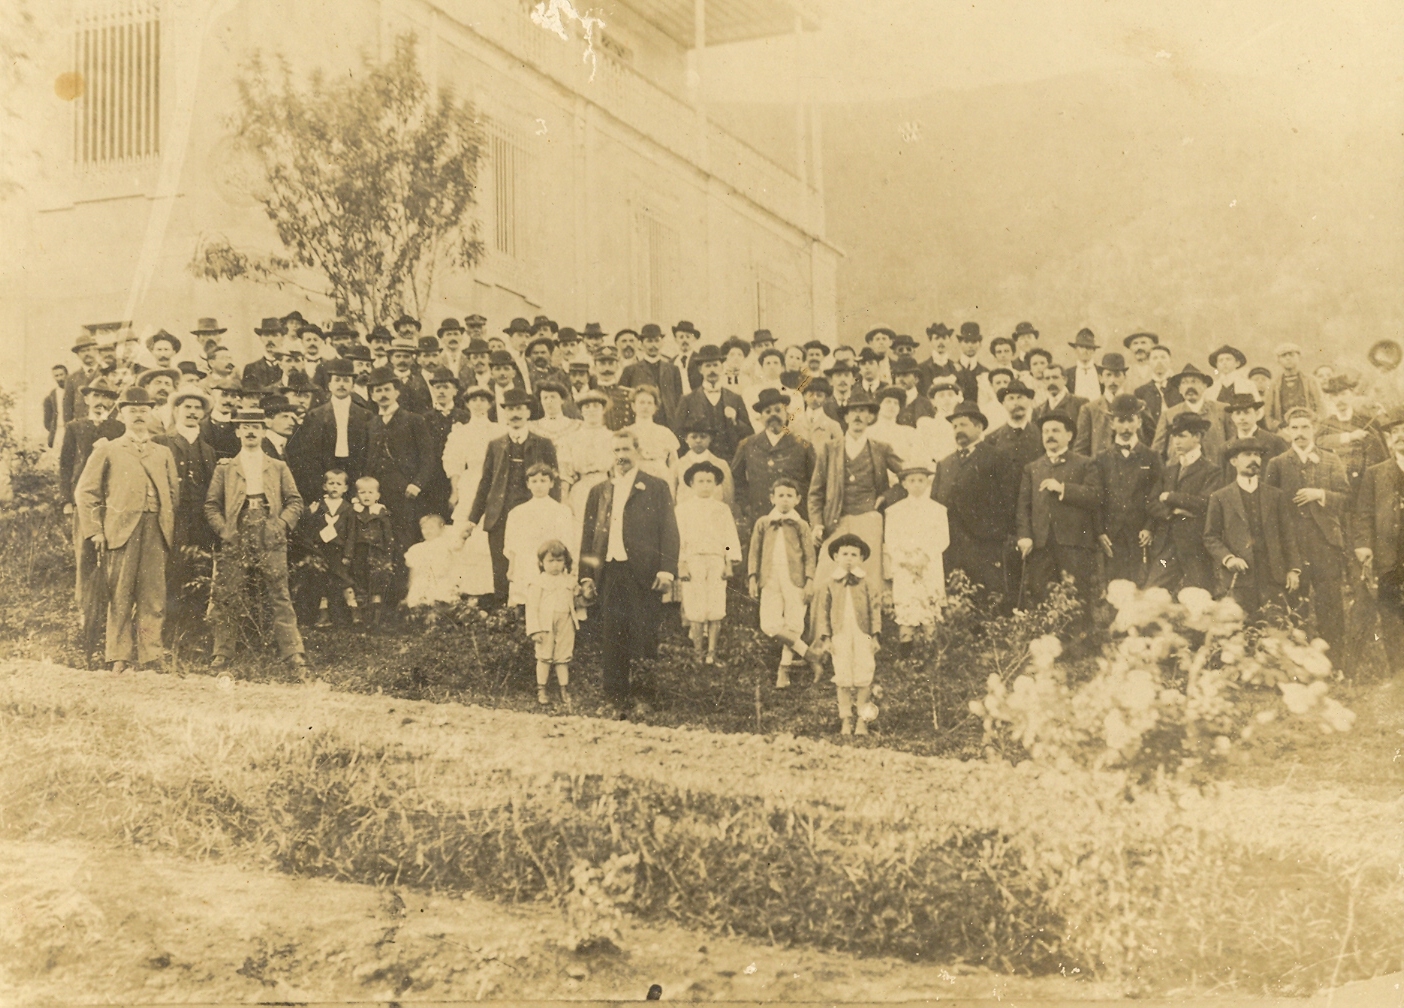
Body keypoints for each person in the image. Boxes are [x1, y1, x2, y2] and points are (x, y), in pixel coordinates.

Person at [74, 386, 179, 672]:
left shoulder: (163, 452)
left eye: (144, 411)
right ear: (121, 415)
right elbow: (86, 492)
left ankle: (150, 654)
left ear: (152, 413)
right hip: (121, 531)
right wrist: (96, 530)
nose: (138, 416)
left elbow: (173, 493)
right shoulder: (108, 448)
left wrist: (166, 522)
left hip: (155, 529)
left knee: (153, 596)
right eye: (132, 411)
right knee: (119, 594)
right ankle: (118, 655)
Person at [578, 430, 679, 717]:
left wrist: (666, 570)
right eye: (616, 451)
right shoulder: (599, 491)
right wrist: (586, 575)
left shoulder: (656, 487)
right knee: (612, 634)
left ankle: (644, 697)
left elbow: (669, 530)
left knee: (644, 633)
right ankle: (614, 697)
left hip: (644, 572)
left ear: (637, 452)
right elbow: (588, 536)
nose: (621, 456)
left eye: (626, 449)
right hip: (609, 571)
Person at [204, 408, 308, 669]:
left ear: (263, 431)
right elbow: (211, 505)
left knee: (279, 592)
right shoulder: (226, 468)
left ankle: (293, 652)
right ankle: (223, 652)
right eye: (244, 426)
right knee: (229, 592)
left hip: (269, 531)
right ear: (237, 431)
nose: (250, 431)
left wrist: (281, 524)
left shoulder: (278, 466)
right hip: (237, 531)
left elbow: (295, 501)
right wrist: (225, 529)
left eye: (256, 426)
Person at [1264, 408, 1351, 655]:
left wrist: (1319, 494)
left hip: (1325, 544)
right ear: (1287, 431)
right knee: (1294, 602)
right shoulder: (1277, 464)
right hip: (1294, 546)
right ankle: (1297, 661)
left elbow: (1345, 498)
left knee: (1330, 602)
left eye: (1304, 427)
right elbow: (1270, 508)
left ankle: (1335, 660)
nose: (1300, 433)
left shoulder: (1330, 459)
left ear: (1314, 429)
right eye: (1294, 428)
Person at [461, 388, 559, 602]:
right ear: (504, 413)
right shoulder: (495, 445)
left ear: (528, 411)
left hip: (533, 515)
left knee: (533, 562)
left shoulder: (544, 444)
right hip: (499, 515)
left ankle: (531, 611)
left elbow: (555, 483)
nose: (515, 414)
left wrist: (555, 514)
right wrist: (472, 520)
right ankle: (504, 616)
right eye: (510, 409)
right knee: (501, 565)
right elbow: (485, 484)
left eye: (519, 409)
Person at [807, 393, 902, 588]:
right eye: (853, 412)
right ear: (846, 417)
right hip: (836, 518)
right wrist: (817, 524)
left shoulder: (881, 448)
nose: (858, 416)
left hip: (869, 518)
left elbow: (907, 477)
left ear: (870, 417)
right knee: (827, 577)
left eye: (863, 411)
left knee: (869, 577)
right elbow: (816, 492)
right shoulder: (830, 448)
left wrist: (886, 496)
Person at [1205, 438, 1301, 619]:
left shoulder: (1275, 495)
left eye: (1257, 455)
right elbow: (1211, 537)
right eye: (1247, 455)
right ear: (1233, 461)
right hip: (1240, 576)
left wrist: (1293, 569)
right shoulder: (1220, 497)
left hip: (1273, 575)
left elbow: (1287, 535)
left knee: (1276, 627)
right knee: (1241, 627)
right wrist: (1228, 558)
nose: (1254, 459)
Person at [1016, 412, 1102, 609]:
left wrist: (1063, 488)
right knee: (1042, 597)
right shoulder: (1033, 468)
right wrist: (1024, 535)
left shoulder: (1084, 463)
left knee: (1077, 598)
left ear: (1069, 436)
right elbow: (1023, 506)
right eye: (1045, 431)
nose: (1049, 436)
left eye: (1055, 430)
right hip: (1041, 544)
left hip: (1074, 544)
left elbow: (1095, 496)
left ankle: (1080, 639)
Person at [154, 384, 219, 642]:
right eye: (187, 407)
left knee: (199, 572)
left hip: (201, 523)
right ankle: (169, 633)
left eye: (197, 408)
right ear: (177, 410)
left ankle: (193, 633)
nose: (192, 412)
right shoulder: (161, 442)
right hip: (172, 520)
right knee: (171, 573)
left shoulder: (209, 450)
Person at [364, 366, 437, 566]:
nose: (383, 394)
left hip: (406, 492)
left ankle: (404, 591)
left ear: (397, 392)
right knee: (380, 539)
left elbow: (428, 457)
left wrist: (417, 484)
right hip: (379, 492)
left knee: (405, 539)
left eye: (387, 389)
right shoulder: (371, 424)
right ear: (371, 395)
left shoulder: (414, 420)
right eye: (377, 390)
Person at [811, 533, 881, 737]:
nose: (849, 558)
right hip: (839, 635)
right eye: (845, 554)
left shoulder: (867, 583)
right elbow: (823, 613)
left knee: (864, 676)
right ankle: (846, 720)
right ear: (836, 557)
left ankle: (862, 721)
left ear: (861, 558)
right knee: (842, 676)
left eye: (854, 554)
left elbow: (875, 610)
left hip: (862, 634)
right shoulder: (829, 584)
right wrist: (826, 638)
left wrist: (875, 636)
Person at [747, 478, 816, 687]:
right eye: (780, 495)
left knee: (794, 622)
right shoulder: (763, 523)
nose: (784, 500)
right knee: (769, 624)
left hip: (795, 579)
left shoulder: (801, 525)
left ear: (797, 499)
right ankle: (808, 653)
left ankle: (783, 670)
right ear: (772, 498)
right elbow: (754, 552)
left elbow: (810, 555)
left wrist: (810, 581)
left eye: (789, 495)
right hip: (770, 577)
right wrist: (752, 577)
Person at [674, 461, 742, 665]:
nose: (705, 485)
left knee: (716, 605)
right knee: (695, 606)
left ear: (716, 484)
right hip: (693, 559)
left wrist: (728, 562)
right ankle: (698, 654)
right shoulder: (683, 509)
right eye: (700, 481)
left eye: (709, 481)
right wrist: (681, 563)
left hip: (716, 559)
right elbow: (678, 538)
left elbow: (729, 538)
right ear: (692, 484)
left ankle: (711, 653)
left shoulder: (721, 509)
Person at [1353, 407, 1404, 676]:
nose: (1401, 436)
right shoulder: (1376, 473)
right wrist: (1363, 544)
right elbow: (1363, 513)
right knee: (1391, 616)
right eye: (1395, 432)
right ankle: (1398, 675)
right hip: (1388, 558)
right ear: (1389, 439)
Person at [934, 400, 1004, 595]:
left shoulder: (996, 457)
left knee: (984, 595)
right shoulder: (944, 463)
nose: (958, 430)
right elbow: (935, 505)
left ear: (979, 427)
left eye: (963, 424)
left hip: (985, 544)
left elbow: (1007, 500)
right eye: (954, 426)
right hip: (952, 545)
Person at [1149, 412, 1223, 593]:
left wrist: (1170, 497)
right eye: (1174, 436)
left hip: (1195, 548)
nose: (1176, 441)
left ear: (1197, 437)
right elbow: (1151, 503)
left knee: (1198, 597)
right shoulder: (1169, 470)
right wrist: (1171, 512)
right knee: (1152, 592)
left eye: (1181, 436)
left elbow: (1206, 503)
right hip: (1167, 548)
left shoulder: (1211, 471)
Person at [1094, 394, 1163, 587]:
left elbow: (1157, 494)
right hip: (1112, 534)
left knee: (1143, 584)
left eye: (1130, 420)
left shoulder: (1151, 457)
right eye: (1121, 421)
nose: (1126, 427)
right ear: (1112, 424)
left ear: (1139, 422)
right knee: (1115, 586)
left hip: (1140, 534)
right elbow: (1097, 497)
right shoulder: (1101, 458)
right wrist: (1100, 531)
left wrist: (1149, 527)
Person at [883, 462, 948, 649]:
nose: (917, 484)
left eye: (921, 480)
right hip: (905, 567)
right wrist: (906, 560)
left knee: (929, 605)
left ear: (928, 483)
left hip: (929, 565)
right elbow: (891, 540)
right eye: (912, 480)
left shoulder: (937, 510)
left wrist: (925, 557)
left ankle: (930, 652)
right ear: (904, 484)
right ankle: (906, 653)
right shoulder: (895, 511)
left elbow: (943, 538)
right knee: (907, 607)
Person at [732, 387, 816, 530]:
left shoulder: (802, 446)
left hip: (795, 517)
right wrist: (746, 506)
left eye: (778, 410)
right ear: (760, 417)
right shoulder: (748, 445)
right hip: (760, 517)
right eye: (767, 411)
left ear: (787, 414)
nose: (773, 415)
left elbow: (815, 482)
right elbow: (736, 479)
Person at [292, 358, 372, 502]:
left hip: (354, 469)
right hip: (326, 470)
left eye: (346, 380)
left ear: (353, 385)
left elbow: (367, 450)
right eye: (337, 380)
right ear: (329, 385)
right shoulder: (315, 414)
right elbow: (311, 453)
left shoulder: (365, 415)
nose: (341, 384)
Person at [523, 539, 587, 708]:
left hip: (565, 621)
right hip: (545, 623)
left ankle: (563, 689)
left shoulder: (569, 580)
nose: (555, 565)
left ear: (565, 562)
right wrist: (535, 630)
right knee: (544, 656)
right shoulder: (538, 582)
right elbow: (532, 607)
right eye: (550, 561)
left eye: (559, 561)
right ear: (542, 563)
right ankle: (541, 689)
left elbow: (578, 602)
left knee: (563, 657)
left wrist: (582, 596)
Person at [502, 462, 575, 607]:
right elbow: (512, 545)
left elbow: (567, 542)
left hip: (551, 563)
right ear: (528, 484)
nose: (539, 485)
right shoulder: (517, 512)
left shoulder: (562, 511)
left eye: (543, 481)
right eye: (534, 481)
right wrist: (512, 568)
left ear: (552, 483)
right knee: (526, 600)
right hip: (526, 563)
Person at [294, 468, 356, 627]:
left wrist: (348, 554)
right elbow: (307, 526)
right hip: (320, 549)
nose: (335, 487)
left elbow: (351, 534)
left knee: (341, 580)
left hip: (338, 550)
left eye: (339, 484)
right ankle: (323, 615)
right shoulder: (318, 506)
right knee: (321, 581)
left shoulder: (348, 509)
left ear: (345, 488)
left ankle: (351, 613)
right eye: (331, 483)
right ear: (324, 486)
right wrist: (310, 513)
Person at [671, 344, 753, 461]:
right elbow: (678, 434)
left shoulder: (735, 398)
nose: (712, 370)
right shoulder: (688, 400)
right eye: (708, 366)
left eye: (715, 365)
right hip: (698, 461)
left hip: (729, 459)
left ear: (722, 368)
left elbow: (748, 433)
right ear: (700, 369)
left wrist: (735, 421)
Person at [1152, 363, 1231, 467]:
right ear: (1180, 389)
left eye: (1194, 382)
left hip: (1215, 474)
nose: (1190, 386)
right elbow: (1157, 451)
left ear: (1204, 386)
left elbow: (1233, 445)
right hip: (1181, 474)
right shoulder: (1169, 414)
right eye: (1184, 383)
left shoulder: (1222, 410)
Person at [344, 475, 397, 627]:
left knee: (377, 581)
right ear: (356, 495)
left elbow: (388, 536)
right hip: (360, 551)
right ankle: (361, 615)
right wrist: (349, 554)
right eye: (362, 492)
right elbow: (351, 534)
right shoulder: (354, 512)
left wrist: (388, 555)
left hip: (377, 551)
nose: (366, 496)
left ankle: (376, 617)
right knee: (360, 579)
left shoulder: (381, 513)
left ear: (377, 496)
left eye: (370, 493)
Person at [1317, 374, 1386, 492]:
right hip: (1338, 484)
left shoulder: (1367, 421)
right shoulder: (1326, 424)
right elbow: (1318, 442)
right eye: (1335, 395)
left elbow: (1382, 455)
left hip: (1367, 483)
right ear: (1330, 398)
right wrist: (1349, 437)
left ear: (1352, 394)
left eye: (1344, 394)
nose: (1340, 400)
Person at [621, 324, 684, 423]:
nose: (653, 345)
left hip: (668, 422)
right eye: (649, 341)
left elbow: (679, 399)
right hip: (642, 420)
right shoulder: (630, 370)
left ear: (662, 343)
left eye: (657, 340)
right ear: (641, 344)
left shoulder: (673, 369)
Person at [1073, 353, 1133, 458]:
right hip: (1100, 470)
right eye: (1108, 375)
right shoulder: (1089, 409)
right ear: (1101, 378)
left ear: (1125, 377)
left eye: (1117, 375)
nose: (1112, 380)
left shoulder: (1137, 405)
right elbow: (1080, 449)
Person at [403, 513, 463, 608]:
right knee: (418, 606)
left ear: (442, 528)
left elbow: (453, 567)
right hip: (421, 583)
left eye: (431, 528)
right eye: (424, 528)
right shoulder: (417, 549)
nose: (427, 531)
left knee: (441, 604)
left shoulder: (447, 546)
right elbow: (413, 572)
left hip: (442, 581)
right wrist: (410, 588)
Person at [673, 416, 735, 507]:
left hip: (713, 513)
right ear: (686, 439)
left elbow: (728, 495)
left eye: (703, 437)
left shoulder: (721, 464)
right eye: (694, 437)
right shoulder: (678, 465)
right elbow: (672, 494)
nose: (698, 440)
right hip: (687, 514)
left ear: (710, 439)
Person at [625, 385, 678, 488]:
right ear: (633, 406)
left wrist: (671, 482)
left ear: (655, 407)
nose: (645, 406)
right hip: (635, 476)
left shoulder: (664, 432)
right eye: (641, 402)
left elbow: (674, 462)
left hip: (661, 476)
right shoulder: (627, 432)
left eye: (650, 403)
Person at [1263, 342, 1324, 431]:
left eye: (1291, 355)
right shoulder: (1273, 384)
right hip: (1284, 430)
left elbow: (1321, 407)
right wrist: (1278, 429)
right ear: (1278, 360)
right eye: (1284, 355)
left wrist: (1314, 426)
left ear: (1299, 357)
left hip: (1309, 428)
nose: (1288, 358)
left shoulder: (1311, 381)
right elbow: (1268, 413)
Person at [1134, 343, 1180, 443]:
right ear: (1149, 363)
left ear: (1171, 361)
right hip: (1151, 442)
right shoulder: (1140, 392)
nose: (1159, 361)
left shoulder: (1179, 388)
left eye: (1163, 357)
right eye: (1155, 358)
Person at [1224, 393, 1287, 466]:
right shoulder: (1226, 448)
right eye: (1238, 413)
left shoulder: (1275, 442)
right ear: (1233, 417)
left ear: (1257, 414)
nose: (1242, 418)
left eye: (1246, 412)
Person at [242, 318, 288, 390]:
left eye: (275, 335)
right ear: (261, 338)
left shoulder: (290, 366)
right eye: (266, 335)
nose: (270, 339)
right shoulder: (251, 368)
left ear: (283, 338)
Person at [952, 322, 988, 402]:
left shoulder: (985, 371)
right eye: (966, 341)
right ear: (960, 343)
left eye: (974, 342)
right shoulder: (951, 369)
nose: (970, 345)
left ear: (980, 344)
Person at [1065, 329, 1102, 401]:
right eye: (1081, 347)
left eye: (1088, 347)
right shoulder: (1068, 373)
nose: (1085, 351)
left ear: (1094, 350)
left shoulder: (1101, 372)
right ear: (1075, 350)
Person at [43, 364, 67, 449]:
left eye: (61, 374)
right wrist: (54, 429)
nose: (60, 378)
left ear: (66, 375)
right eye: (56, 376)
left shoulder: (73, 392)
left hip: (72, 429)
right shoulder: (51, 396)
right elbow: (47, 421)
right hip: (58, 431)